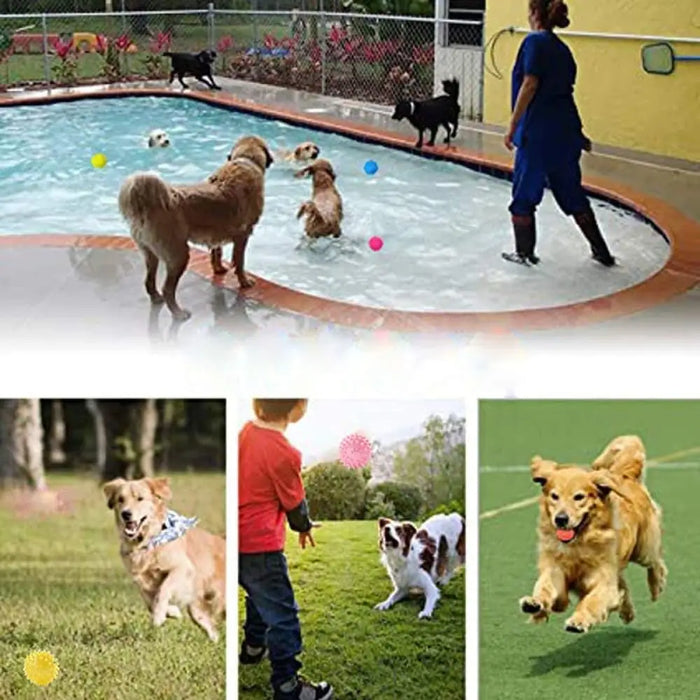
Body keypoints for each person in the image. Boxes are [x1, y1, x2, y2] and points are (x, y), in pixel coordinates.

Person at [502, 0, 616, 267]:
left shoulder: (533, 43)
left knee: (524, 197)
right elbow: (566, 95)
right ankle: (601, 252)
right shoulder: (563, 50)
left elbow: (530, 84)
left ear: (534, 14)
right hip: (564, 134)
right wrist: (578, 133)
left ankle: (524, 254)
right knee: (572, 193)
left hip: (537, 134)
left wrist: (512, 125)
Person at [238, 398, 333, 700]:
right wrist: (304, 526)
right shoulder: (285, 452)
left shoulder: (243, 433)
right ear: (297, 408)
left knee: (257, 594)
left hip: (233, 542)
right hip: (261, 545)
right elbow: (294, 502)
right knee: (282, 614)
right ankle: (288, 686)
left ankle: (253, 647)